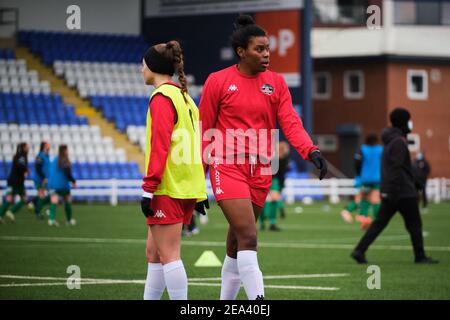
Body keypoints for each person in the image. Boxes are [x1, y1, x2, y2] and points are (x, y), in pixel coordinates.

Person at [199, 15, 327, 300]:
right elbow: (204, 130)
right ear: (241, 52)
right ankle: (259, 302)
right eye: (259, 49)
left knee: (236, 242)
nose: (267, 54)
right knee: (250, 236)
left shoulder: (276, 84)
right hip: (227, 165)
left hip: (262, 169)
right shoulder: (217, 81)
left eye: (268, 48)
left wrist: (311, 150)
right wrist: (198, 177)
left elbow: (291, 122)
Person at [140, 40, 208, 300]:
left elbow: (160, 147)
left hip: (169, 187)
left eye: (143, 63)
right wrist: (198, 190)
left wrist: (148, 189)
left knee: (168, 255)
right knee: (154, 253)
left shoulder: (161, 98)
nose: (140, 68)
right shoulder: (185, 97)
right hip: (186, 186)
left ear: (154, 67)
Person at [351, 108, 438, 264]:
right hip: (402, 192)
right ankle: (420, 256)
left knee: (379, 224)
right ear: (404, 122)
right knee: (414, 224)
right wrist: (407, 185)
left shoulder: (390, 141)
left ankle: (359, 250)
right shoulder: (399, 142)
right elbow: (398, 169)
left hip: (391, 191)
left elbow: (400, 168)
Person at [259, 141, 290, 231]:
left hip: (272, 180)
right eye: (287, 148)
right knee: (272, 200)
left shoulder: (282, 159)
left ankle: (266, 223)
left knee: (267, 202)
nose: (288, 150)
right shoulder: (274, 159)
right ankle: (280, 209)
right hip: (272, 180)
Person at [355, 134, 383, 229]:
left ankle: (364, 217)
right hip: (377, 179)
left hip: (365, 178)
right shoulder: (380, 150)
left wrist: (358, 175)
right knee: (376, 200)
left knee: (364, 199)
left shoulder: (363, 149)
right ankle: (377, 220)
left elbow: (357, 163)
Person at [47, 145, 77, 227]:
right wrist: (73, 181)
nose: (68, 152)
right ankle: (69, 220)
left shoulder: (54, 160)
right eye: (67, 150)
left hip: (52, 184)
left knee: (54, 201)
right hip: (62, 184)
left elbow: (50, 171)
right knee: (67, 200)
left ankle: (51, 219)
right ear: (64, 151)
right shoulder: (64, 160)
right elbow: (67, 172)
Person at [0, 142, 29, 222]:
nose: (28, 148)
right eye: (27, 147)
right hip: (17, 182)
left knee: (10, 199)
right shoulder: (22, 157)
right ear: (23, 148)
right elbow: (20, 167)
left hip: (12, 180)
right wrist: (25, 170)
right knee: (24, 198)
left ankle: (2, 214)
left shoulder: (18, 156)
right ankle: (11, 211)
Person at [33, 141, 51, 219]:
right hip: (40, 179)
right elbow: (38, 168)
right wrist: (44, 178)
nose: (49, 146)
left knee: (51, 195)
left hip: (46, 179)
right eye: (48, 144)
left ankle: (34, 202)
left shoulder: (47, 155)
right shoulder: (40, 156)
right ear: (44, 146)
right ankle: (38, 213)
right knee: (42, 195)